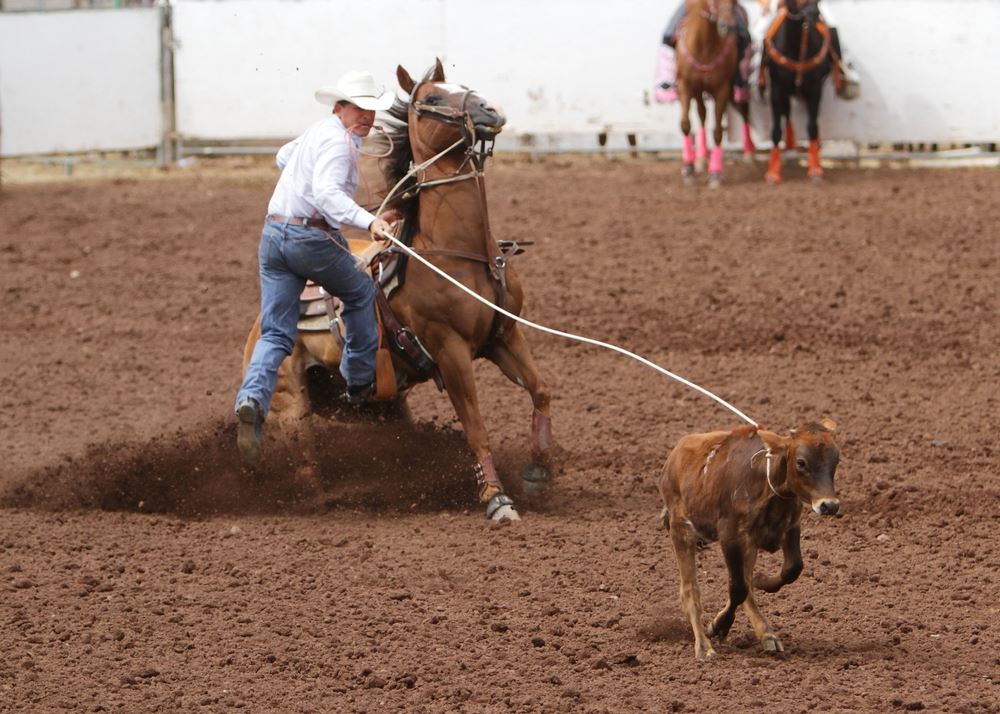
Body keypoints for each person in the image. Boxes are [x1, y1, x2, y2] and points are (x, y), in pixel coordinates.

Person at [234, 70, 397, 465]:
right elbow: (326, 196)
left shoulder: (316, 133)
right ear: (339, 108)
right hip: (310, 238)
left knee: (275, 332)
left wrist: (300, 183)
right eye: (358, 109)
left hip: (274, 236)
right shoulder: (341, 146)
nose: (366, 117)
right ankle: (359, 381)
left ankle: (252, 398)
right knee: (360, 292)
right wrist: (370, 221)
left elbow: (283, 157)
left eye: (370, 110)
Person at [654, 0, 753, 103]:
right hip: (697, 2)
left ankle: (740, 79)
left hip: (725, 4)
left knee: (744, 37)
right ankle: (668, 80)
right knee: (668, 35)